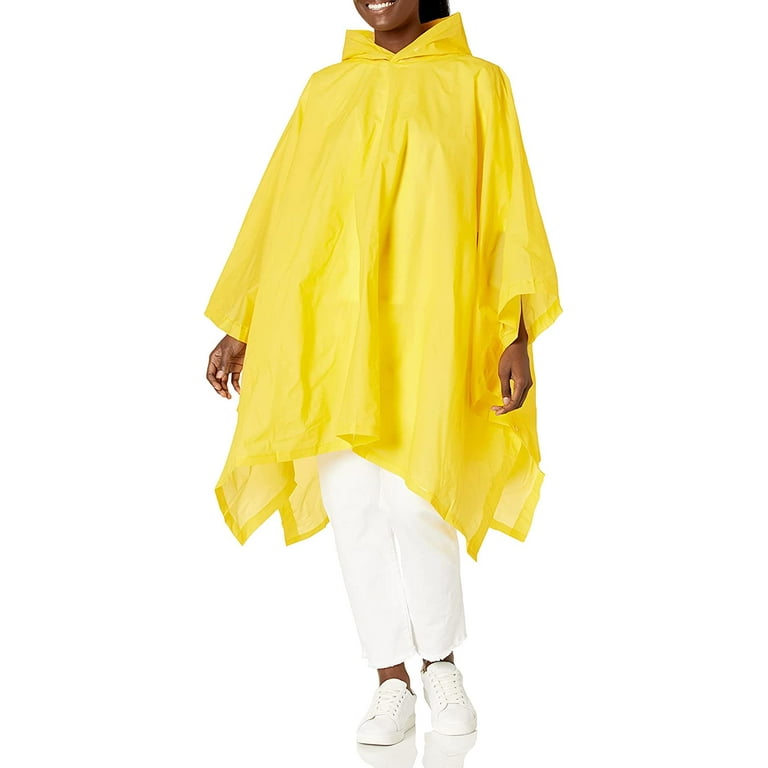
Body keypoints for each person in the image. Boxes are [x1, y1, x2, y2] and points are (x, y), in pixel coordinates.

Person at [204, 0, 561, 747]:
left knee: (415, 498)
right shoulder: (327, 89)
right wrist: (244, 322)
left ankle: (441, 665)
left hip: (432, 325)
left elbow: (507, 212)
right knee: (353, 502)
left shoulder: (477, 83)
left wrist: (516, 333)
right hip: (335, 330)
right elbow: (281, 209)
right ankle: (389, 679)